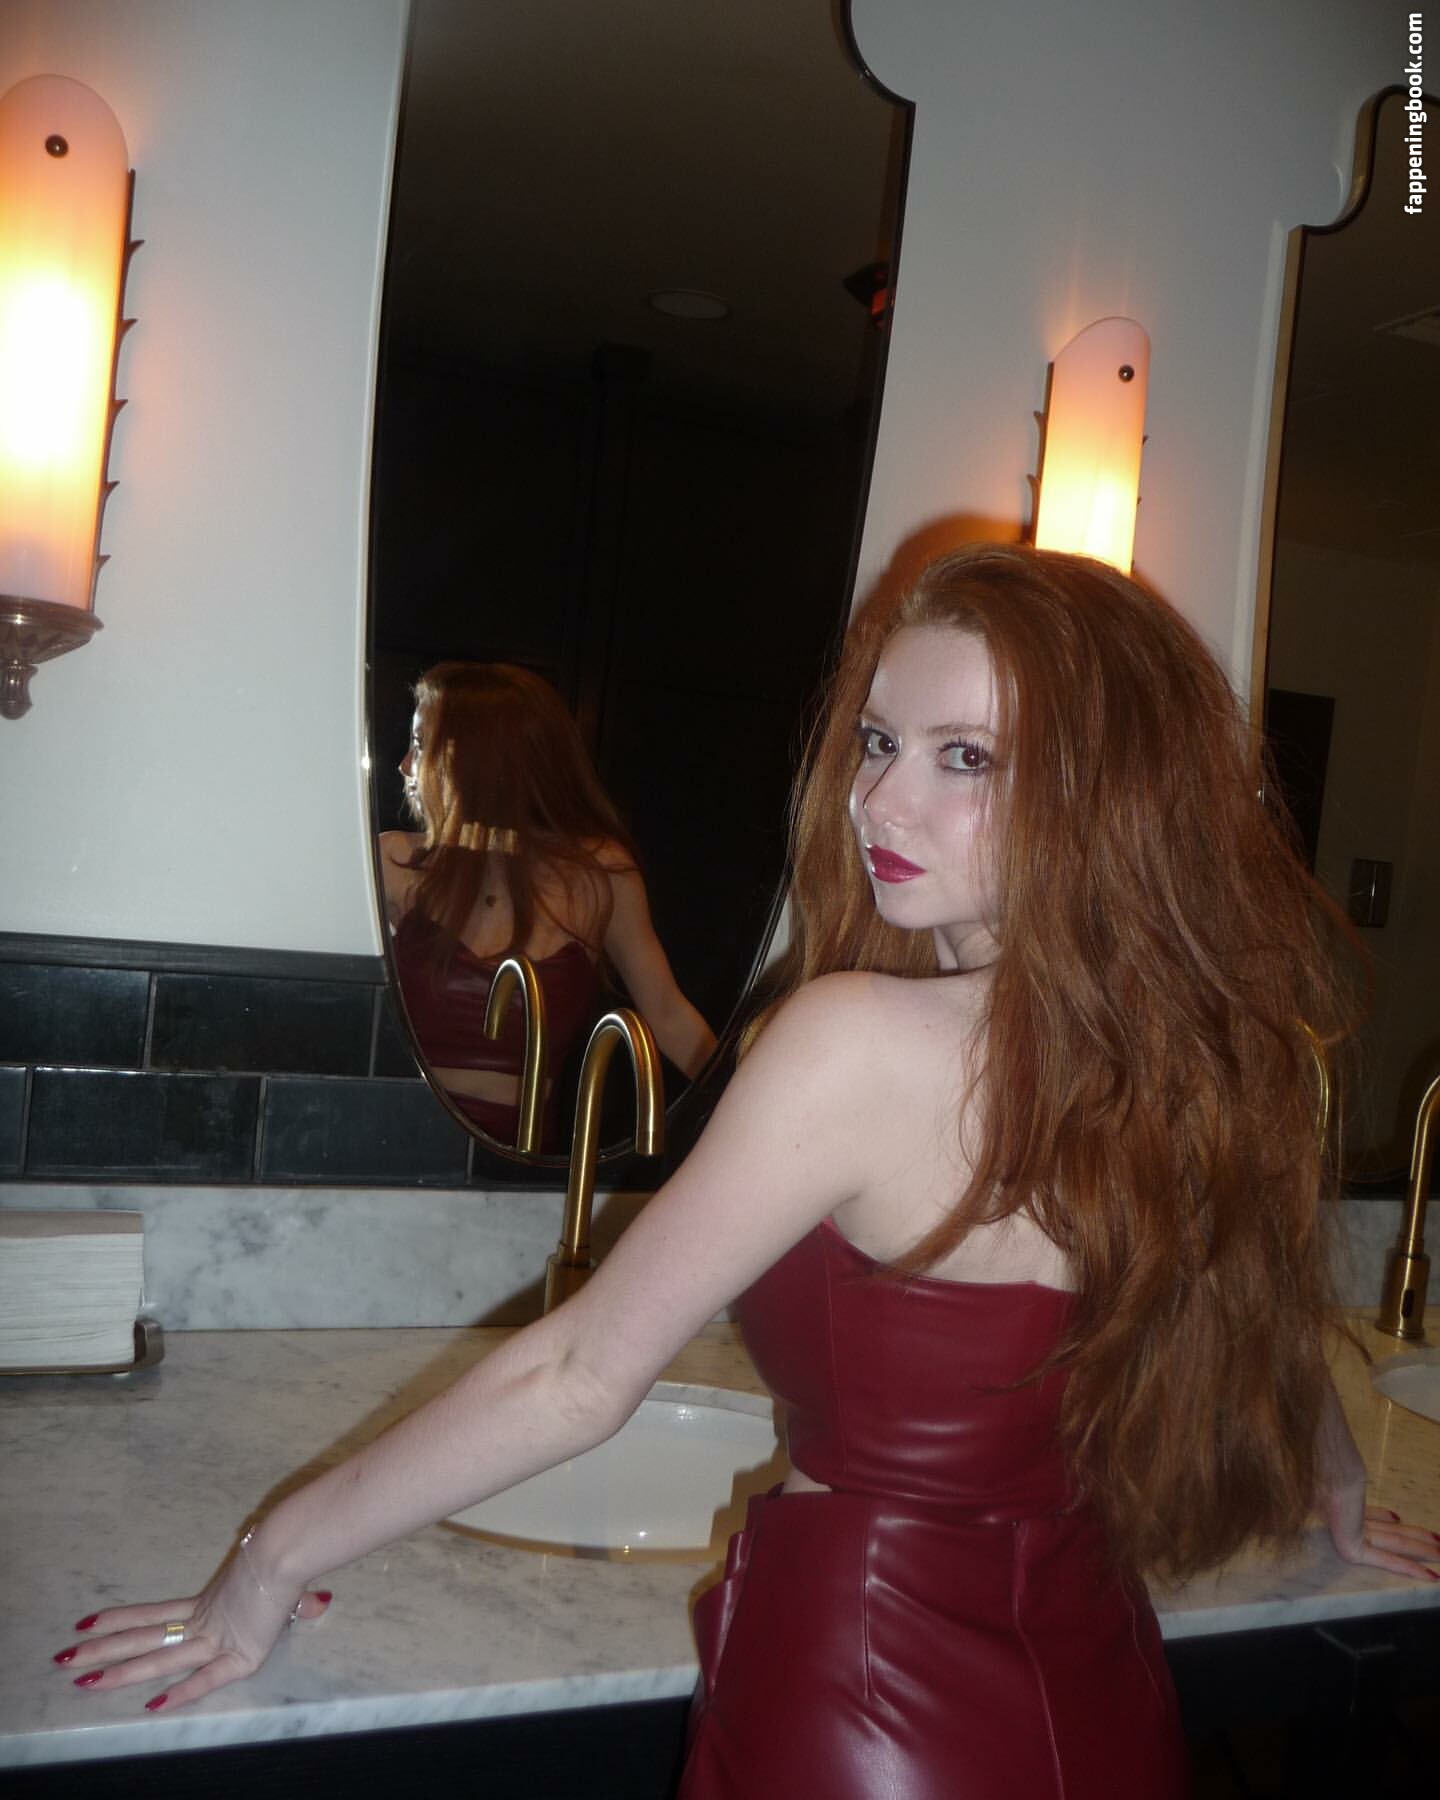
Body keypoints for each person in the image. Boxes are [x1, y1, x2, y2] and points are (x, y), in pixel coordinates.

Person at [59, 549, 1438, 1795]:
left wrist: (269, 1560)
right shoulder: (1203, 1063)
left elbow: (579, 1374)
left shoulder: (858, 1041)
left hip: (873, 1710)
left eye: (968, 758)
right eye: (880, 742)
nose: (879, 798)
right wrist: (1334, 1490)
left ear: (1109, 791)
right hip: (1102, 1694)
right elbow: (1260, 1311)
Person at [377, 661, 716, 1149]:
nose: (406, 765)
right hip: (394, 1140)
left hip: (521, 1160)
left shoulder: (599, 872)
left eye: (420, 743)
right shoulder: (394, 861)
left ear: (476, 757)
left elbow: (668, 1017)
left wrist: (754, 1107)